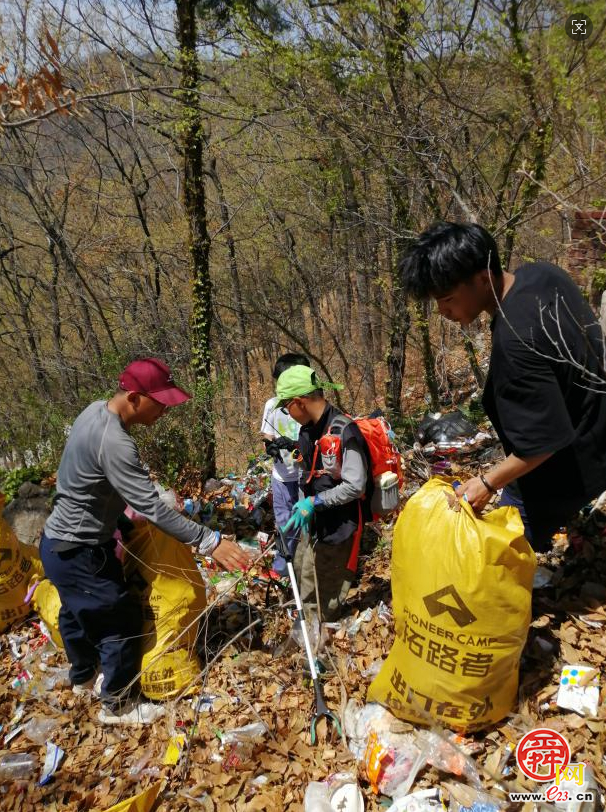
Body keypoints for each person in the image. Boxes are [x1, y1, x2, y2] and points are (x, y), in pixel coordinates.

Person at [41, 358, 251, 725]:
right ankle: (118, 704)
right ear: (135, 397)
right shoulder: (116, 442)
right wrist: (208, 540)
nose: (166, 410)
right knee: (118, 618)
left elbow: (84, 481)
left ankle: (82, 678)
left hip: (56, 543)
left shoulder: (93, 413)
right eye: (161, 401)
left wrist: (118, 519)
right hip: (80, 550)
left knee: (75, 611)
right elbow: (153, 509)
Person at [400, 221, 606, 550]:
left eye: (448, 299)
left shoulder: (515, 341)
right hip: (596, 422)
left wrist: (486, 481)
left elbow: (543, 442)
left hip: (571, 464)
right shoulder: (541, 275)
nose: (442, 311)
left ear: (483, 278)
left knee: (502, 557)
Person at [275, 365, 371, 621]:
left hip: (339, 527)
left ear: (299, 402)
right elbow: (309, 466)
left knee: (325, 592)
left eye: (286, 407)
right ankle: (304, 628)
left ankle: (320, 643)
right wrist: (291, 453)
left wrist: (315, 501)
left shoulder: (344, 430)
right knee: (303, 576)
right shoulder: (308, 430)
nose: (288, 414)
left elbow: (355, 485)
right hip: (313, 523)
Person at [260, 352, 310, 575]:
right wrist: (269, 447)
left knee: (305, 522)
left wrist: (294, 447)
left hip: (304, 476)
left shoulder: (308, 407)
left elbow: (309, 452)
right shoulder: (272, 405)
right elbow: (267, 434)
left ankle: (304, 565)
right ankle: (283, 568)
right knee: (283, 523)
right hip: (281, 476)